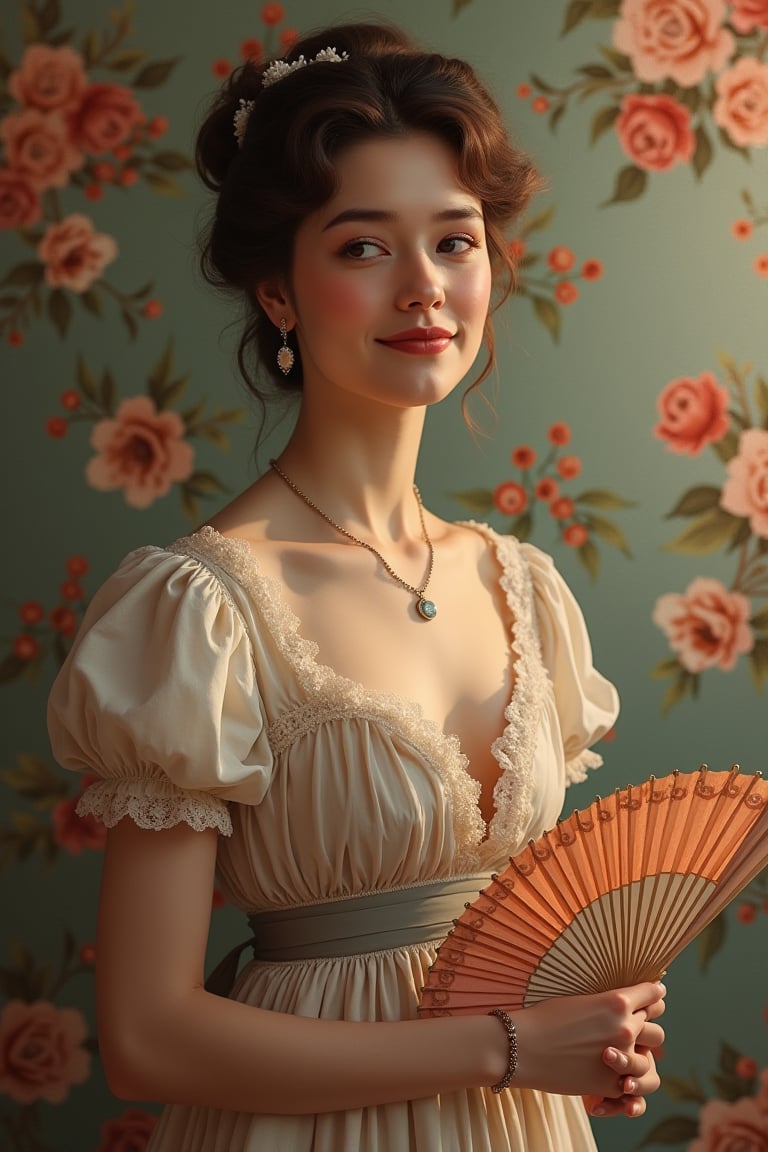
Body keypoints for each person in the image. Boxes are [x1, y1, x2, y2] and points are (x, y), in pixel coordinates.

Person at [47, 21, 666, 1152]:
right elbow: (145, 1035)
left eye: (456, 241)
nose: (425, 289)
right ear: (280, 292)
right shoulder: (201, 611)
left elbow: (517, 943)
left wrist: (593, 1027)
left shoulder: (520, 585)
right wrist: (511, 1045)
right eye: (364, 247)